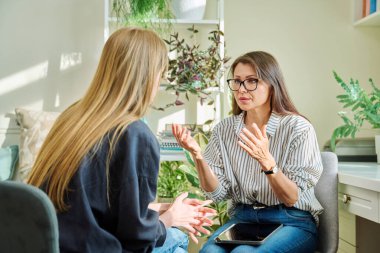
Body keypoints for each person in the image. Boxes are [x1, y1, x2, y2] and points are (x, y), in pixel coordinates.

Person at [27, 27, 216, 253]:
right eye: (160, 73)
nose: (160, 81)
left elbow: (89, 206)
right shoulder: (134, 135)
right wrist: (172, 218)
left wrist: (158, 209)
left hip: (52, 245)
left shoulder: (71, 119)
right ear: (147, 76)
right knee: (176, 239)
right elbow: (137, 241)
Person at [172, 51, 323, 252]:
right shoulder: (224, 130)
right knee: (208, 251)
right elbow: (217, 193)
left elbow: (291, 197)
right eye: (237, 81)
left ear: (272, 84)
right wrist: (198, 156)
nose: (242, 89)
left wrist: (267, 163)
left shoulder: (298, 128)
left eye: (252, 81)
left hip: (292, 220)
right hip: (244, 218)